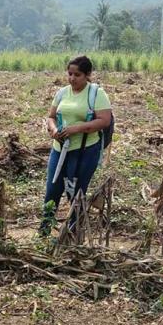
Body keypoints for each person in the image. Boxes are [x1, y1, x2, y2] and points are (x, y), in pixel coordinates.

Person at [40, 55, 113, 236]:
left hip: (85, 151)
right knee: (52, 190)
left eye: (77, 75)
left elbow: (104, 121)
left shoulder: (96, 94)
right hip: (59, 150)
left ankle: (73, 233)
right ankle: (44, 231)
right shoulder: (62, 92)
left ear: (88, 75)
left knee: (76, 192)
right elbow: (51, 116)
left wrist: (76, 129)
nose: (72, 79)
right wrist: (54, 130)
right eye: (70, 74)